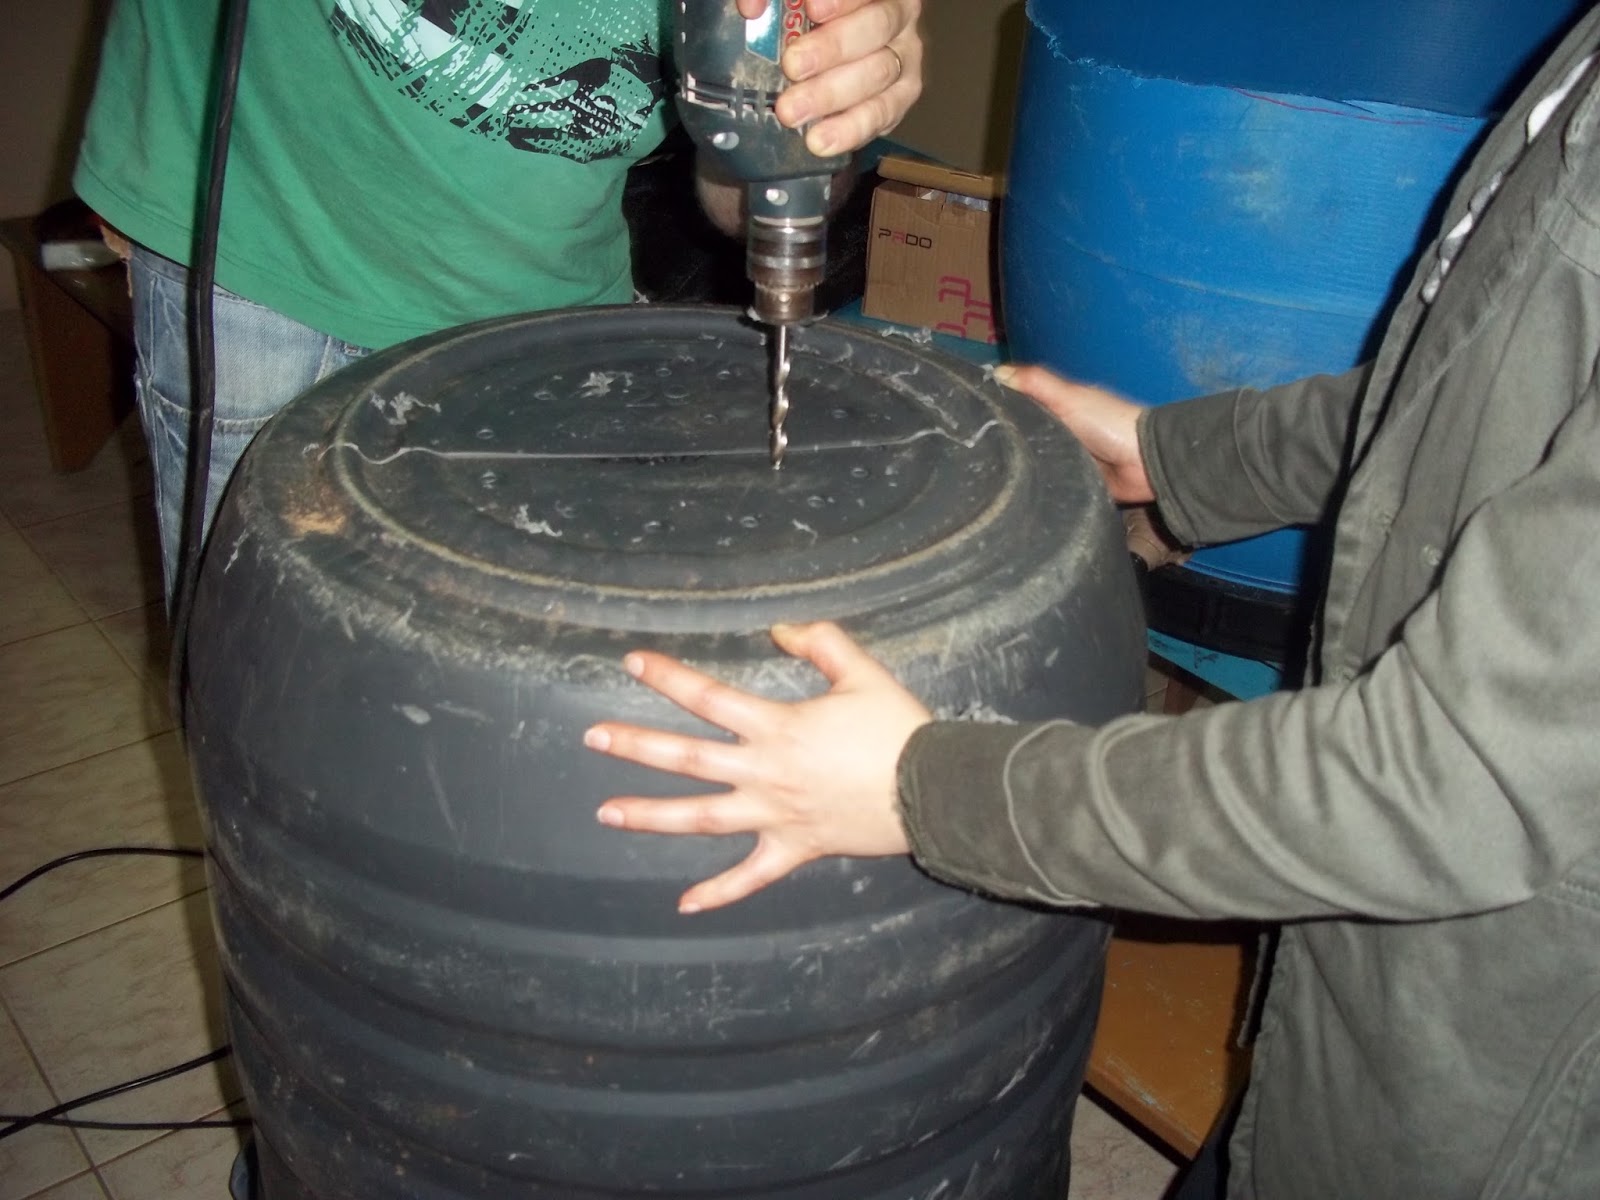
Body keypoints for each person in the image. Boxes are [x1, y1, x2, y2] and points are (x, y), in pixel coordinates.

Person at [583, 6, 1600, 1198]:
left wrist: (924, 790)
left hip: (1496, 1095)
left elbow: (1444, 790)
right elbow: (1497, 385)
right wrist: (1192, 460)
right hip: (1359, 1033)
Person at [74, 0, 923, 597]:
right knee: (259, 684)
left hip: (553, 309)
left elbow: (734, 188)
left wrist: (815, 124)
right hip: (265, 254)